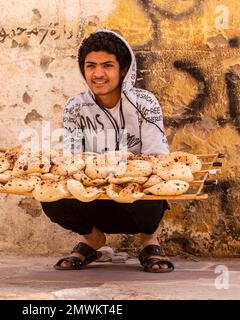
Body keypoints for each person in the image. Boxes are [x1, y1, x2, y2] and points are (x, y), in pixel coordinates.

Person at [40, 29, 174, 273]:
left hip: (135, 197)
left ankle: (149, 240)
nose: (98, 73)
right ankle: (92, 239)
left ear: (123, 69)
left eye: (107, 65)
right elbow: (72, 159)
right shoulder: (76, 106)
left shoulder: (145, 103)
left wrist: (123, 173)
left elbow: (157, 157)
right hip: (92, 196)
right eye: (90, 65)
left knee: (154, 188)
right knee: (50, 195)